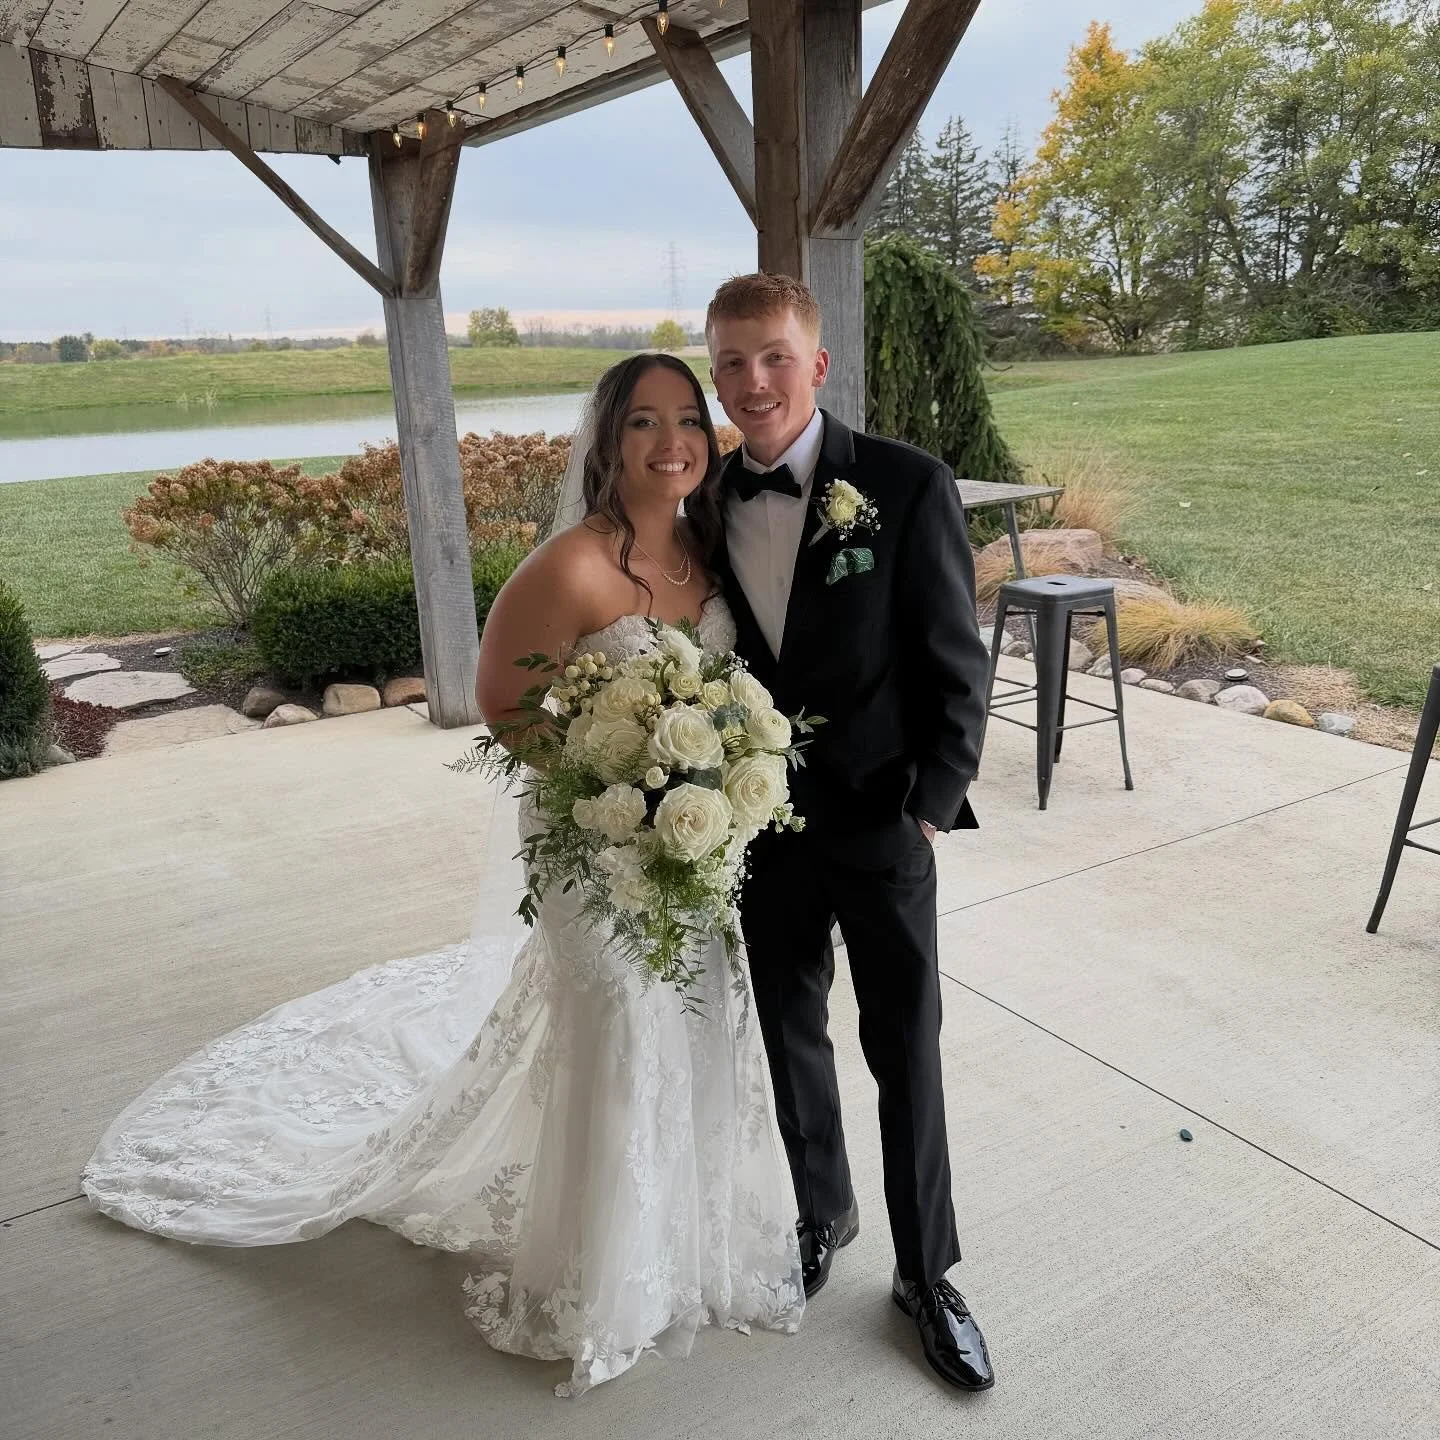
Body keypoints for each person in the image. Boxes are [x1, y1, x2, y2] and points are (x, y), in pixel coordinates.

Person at [82, 353, 804, 1400]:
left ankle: (676, 1236)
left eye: (686, 420)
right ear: (608, 441)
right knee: (613, 1020)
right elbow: (505, 710)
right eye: (643, 423)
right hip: (591, 845)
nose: (671, 444)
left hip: (695, 854)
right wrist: (614, 793)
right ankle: (602, 1275)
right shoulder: (570, 565)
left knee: (687, 1017)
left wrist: (712, 788)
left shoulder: (709, 551)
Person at [706, 272, 995, 1391]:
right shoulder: (707, 501)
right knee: (791, 1034)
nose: (752, 382)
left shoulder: (906, 485)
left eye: (774, 355)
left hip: (883, 822)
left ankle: (928, 1273)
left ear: (816, 364)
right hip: (761, 831)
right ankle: (821, 1219)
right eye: (731, 362)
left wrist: (930, 807)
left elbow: (956, 667)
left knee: (904, 1047)